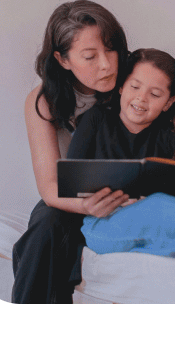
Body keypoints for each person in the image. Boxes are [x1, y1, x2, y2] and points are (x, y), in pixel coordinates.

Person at [11, 0, 131, 303]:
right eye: (90, 56)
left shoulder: (138, 85)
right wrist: (87, 207)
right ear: (63, 60)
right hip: (73, 201)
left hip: (136, 197)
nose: (106, 64)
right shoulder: (43, 101)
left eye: (111, 50)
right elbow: (50, 185)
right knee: (47, 225)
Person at [72, 48, 175, 258]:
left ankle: (148, 252)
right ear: (121, 86)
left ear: (168, 103)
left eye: (155, 94)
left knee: (160, 207)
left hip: (151, 220)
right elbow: (71, 177)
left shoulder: (166, 135)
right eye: (135, 86)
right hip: (101, 224)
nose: (141, 98)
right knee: (161, 207)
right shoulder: (96, 119)